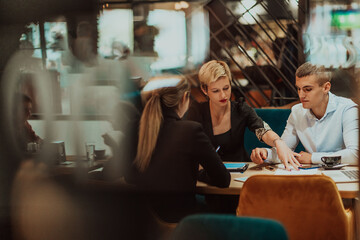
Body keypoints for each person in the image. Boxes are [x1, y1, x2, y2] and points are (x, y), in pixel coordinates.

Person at [127, 76, 230, 223]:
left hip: (142, 223)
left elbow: (129, 175)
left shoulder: (135, 128)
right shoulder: (191, 131)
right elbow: (223, 179)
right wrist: (199, 173)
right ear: (184, 98)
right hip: (181, 224)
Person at [187, 60, 300, 170]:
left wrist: (278, 142)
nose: (223, 95)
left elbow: (262, 130)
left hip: (239, 170)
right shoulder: (196, 112)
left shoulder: (241, 109)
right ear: (204, 89)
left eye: (226, 88)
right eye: (215, 91)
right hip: (207, 173)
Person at [251, 62, 359, 165]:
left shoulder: (347, 109)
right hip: (312, 174)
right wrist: (265, 154)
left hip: (342, 175)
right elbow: (285, 150)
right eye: (298, 89)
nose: (301, 95)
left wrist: (313, 158)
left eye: (307, 89)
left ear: (326, 87)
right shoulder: (297, 111)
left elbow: (355, 154)